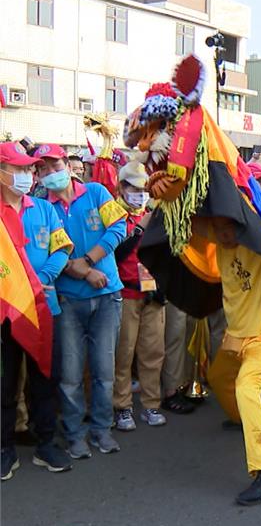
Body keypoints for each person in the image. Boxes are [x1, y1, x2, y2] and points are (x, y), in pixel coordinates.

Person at [37, 144, 127, 459]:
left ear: (68, 165)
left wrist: (87, 262)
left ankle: (102, 429)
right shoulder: (41, 208)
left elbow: (119, 227)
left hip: (106, 297)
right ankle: (74, 434)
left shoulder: (97, 192)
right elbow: (44, 251)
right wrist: (79, 271)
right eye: (43, 169)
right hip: (67, 300)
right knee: (71, 375)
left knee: (104, 371)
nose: (51, 173)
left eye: (55, 165)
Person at [192, 215, 261, 505]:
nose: (223, 234)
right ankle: (242, 418)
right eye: (218, 229)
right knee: (219, 377)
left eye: (229, 227)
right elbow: (192, 221)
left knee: (247, 388)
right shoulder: (219, 245)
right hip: (234, 338)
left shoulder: (260, 249)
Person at [1, 141, 74, 480]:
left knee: (46, 377)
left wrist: (42, 278)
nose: (27, 175)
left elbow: (62, 247)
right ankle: (5, 449)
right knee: (5, 384)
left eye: (29, 169)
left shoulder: (43, 209)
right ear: (2, 174)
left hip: (46, 307)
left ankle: (46, 442)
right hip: (6, 314)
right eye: (18, 169)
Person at [112, 162, 167, 431]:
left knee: (153, 352)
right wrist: (139, 229)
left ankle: (151, 403)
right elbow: (114, 252)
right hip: (125, 293)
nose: (140, 194)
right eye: (134, 188)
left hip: (153, 294)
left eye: (143, 189)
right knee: (123, 353)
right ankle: (122, 406)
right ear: (122, 188)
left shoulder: (156, 214)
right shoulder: (111, 214)